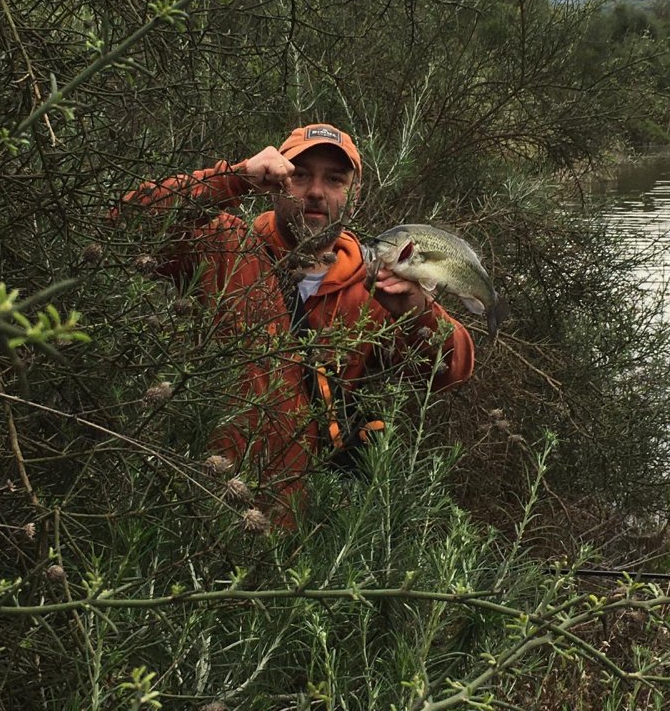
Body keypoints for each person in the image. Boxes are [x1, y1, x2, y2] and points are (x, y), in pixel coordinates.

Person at [119, 123, 474, 521]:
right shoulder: (225, 245)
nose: (316, 192)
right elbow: (124, 224)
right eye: (301, 175)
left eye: (335, 179)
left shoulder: (374, 286)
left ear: (355, 194)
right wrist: (233, 179)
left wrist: (415, 309)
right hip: (197, 502)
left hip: (297, 529)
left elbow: (451, 371)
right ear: (276, 181)